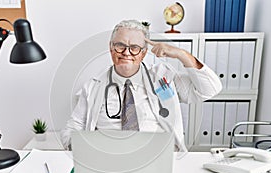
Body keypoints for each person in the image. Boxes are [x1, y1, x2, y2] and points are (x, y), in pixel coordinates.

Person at [60, 19, 222, 151]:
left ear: (144, 53)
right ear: (111, 48)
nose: (126, 52)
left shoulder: (163, 78)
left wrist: (181, 54)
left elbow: (210, 89)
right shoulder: (93, 87)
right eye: (120, 46)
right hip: (109, 158)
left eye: (134, 47)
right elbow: (72, 128)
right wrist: (86, 150)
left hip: (159, 157)